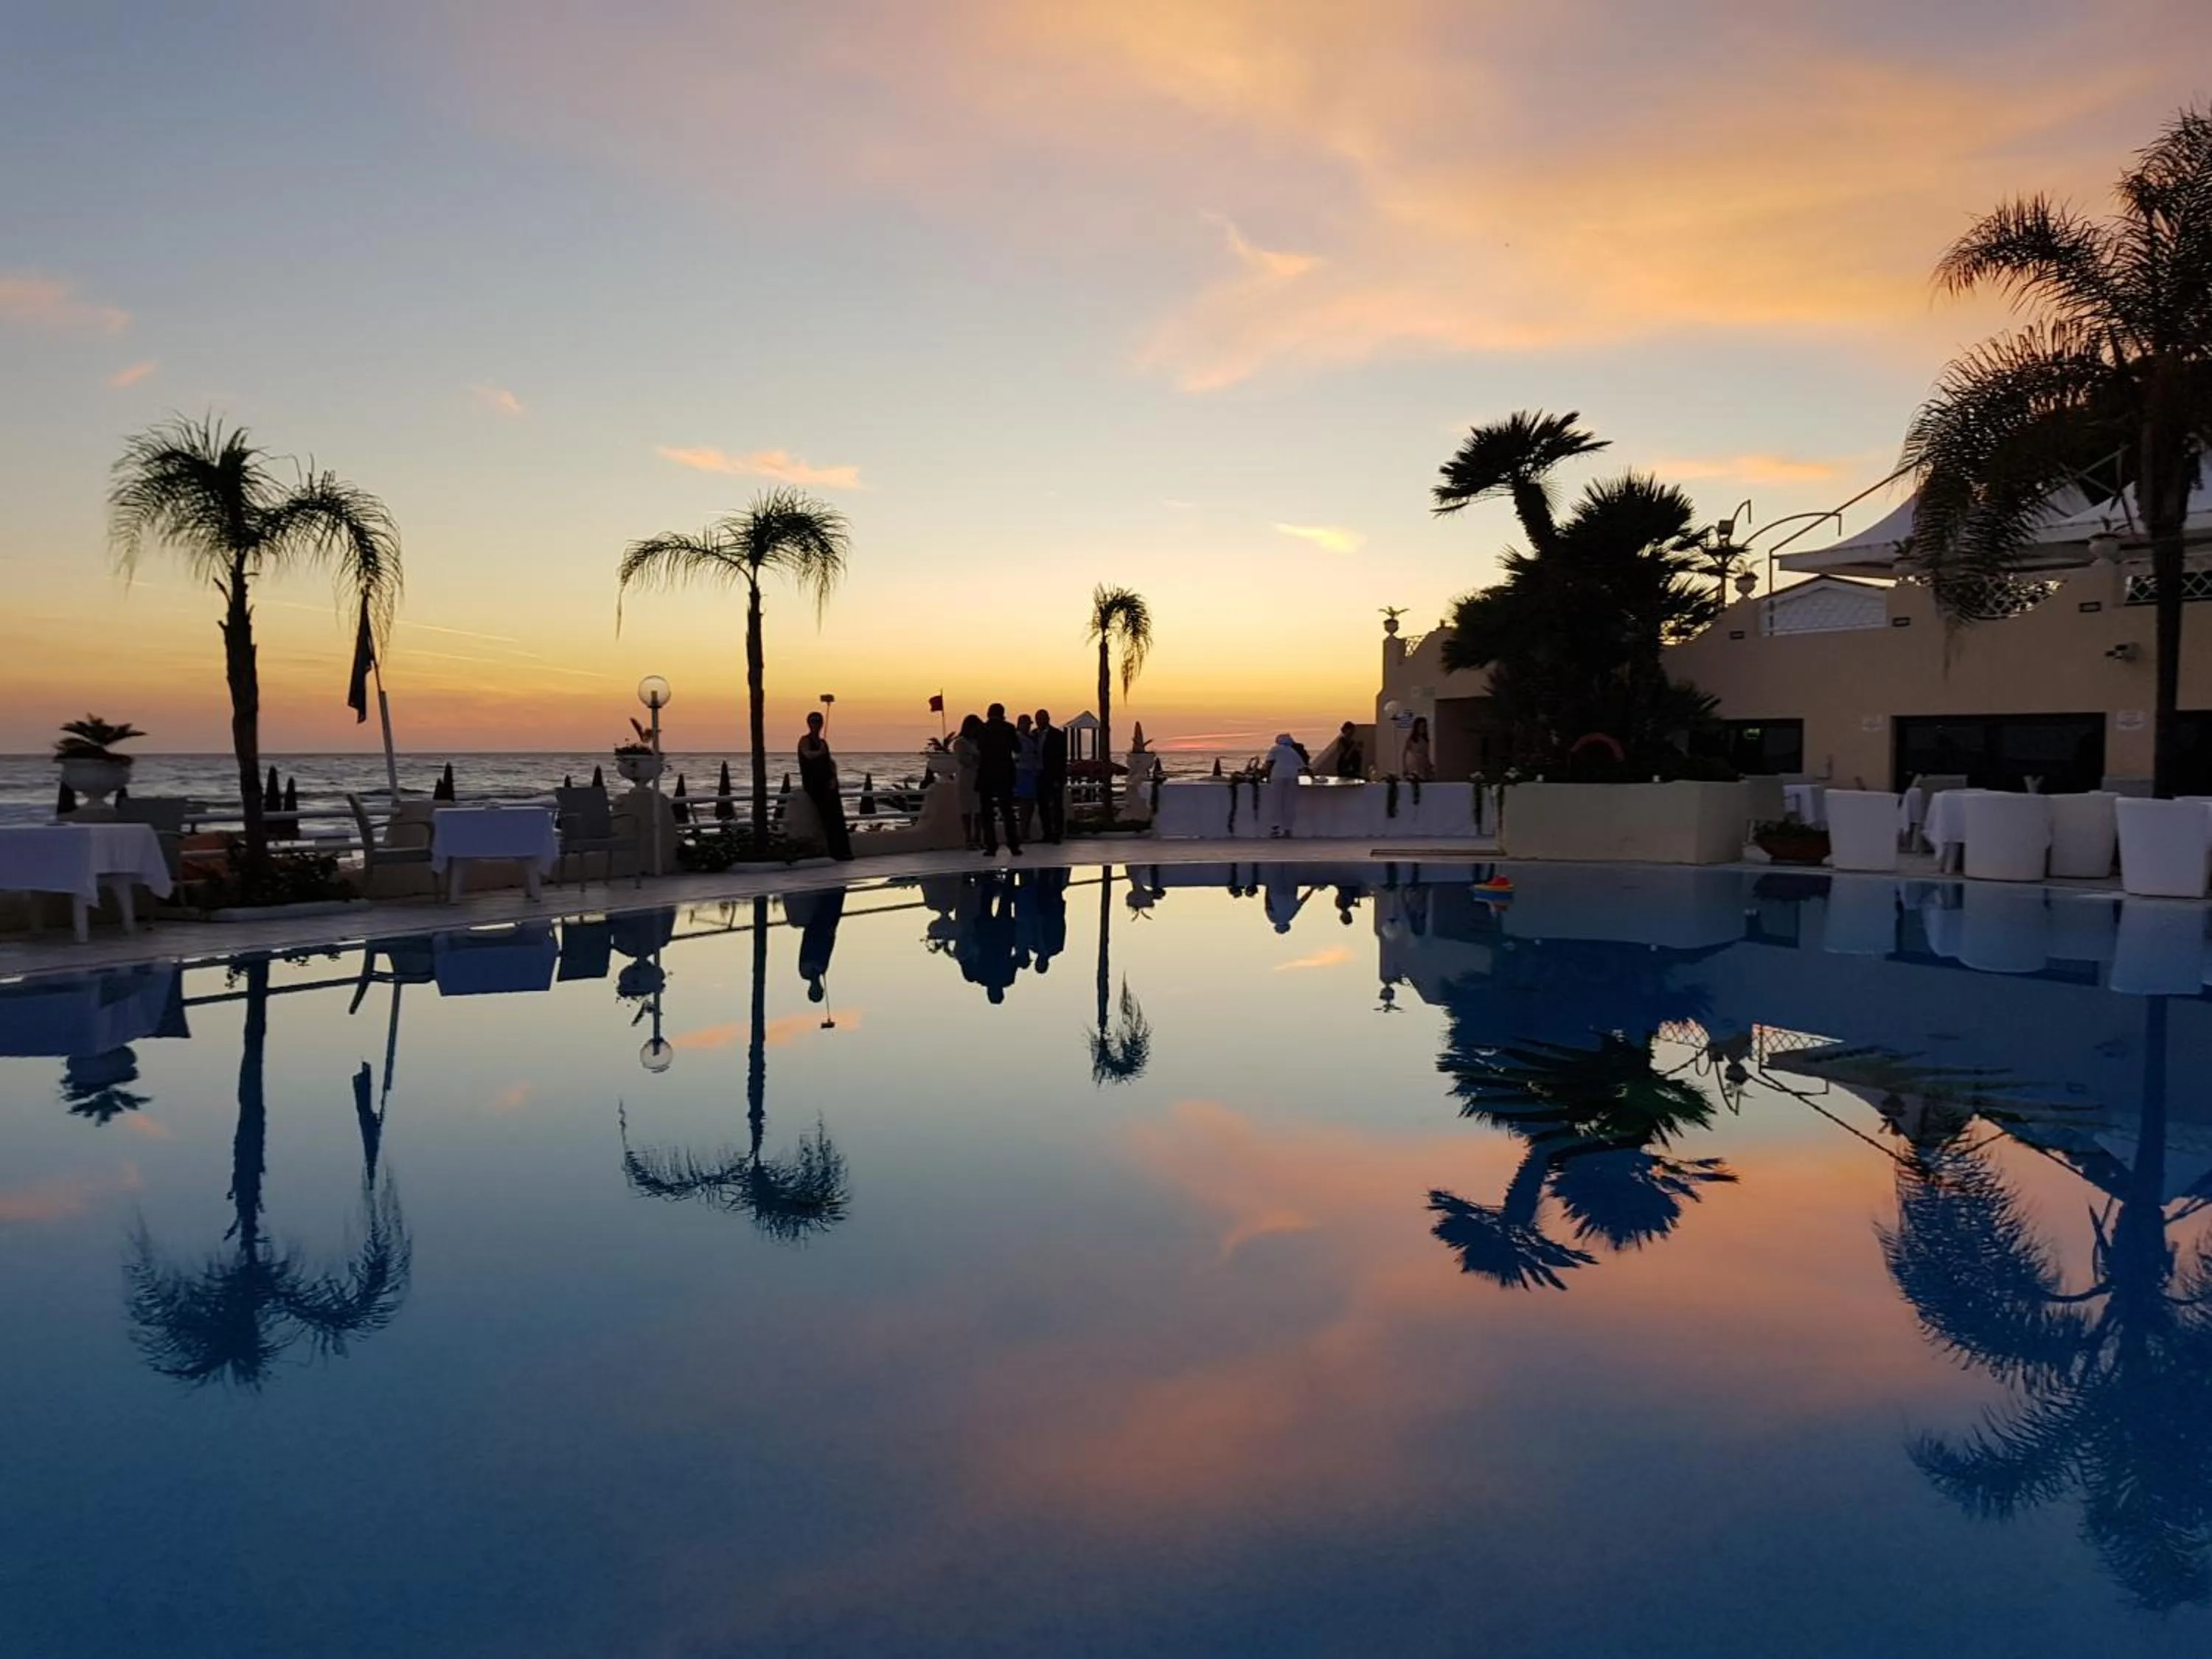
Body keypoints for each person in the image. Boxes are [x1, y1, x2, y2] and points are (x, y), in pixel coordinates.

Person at [797, 710, 853, 860]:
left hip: (827, 782)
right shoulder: (805, 740)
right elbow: (808, 754)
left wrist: (834, 778)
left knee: (837, 817)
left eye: (818, 721)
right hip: (814, 783)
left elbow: (830, 762)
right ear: (809, 723)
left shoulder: (823, 743)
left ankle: (843, 851)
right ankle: (834, 851)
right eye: (813, 721)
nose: (816, 724)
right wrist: (820, 752)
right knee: (827, 817)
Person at [975, 701, 1023, 857]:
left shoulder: (982, 728)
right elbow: (1018, 749)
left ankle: (991, 846)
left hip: (987, 774)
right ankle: (1013, 845)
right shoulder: (1009, 728)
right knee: (1007, 811)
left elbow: (979, 749)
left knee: (987, 812)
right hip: (1005, 774)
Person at [1034, 708, 1068, 844]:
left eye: (1042, 719)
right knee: (1042, 806)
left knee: (1057, 806)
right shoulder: (1034, 735)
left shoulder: (1057, 735)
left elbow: (1061, 758)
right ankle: (1047, 833)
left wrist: (1059, 778)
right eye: (1037, 720)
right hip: (1039, 775)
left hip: (1053, 776)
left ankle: (1058, 833)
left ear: (1048, 719)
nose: (1039, 722)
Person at [1264, 732, 1305, 838]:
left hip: (1278, 777)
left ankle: (1275, 829)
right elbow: (1302, 766)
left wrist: (1263, 774)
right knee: (1289, 803)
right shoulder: (1293, 752)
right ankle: (1288, 830)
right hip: (1292, 777)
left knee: (1276, 802)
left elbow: (1268, 764)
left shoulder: (1275, 749)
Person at [952, 714, 984, 849]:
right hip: (965, 779)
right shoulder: (960, 742)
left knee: (978, 809)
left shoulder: (978, 742)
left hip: (978, 778)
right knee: (966, 809)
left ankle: (978, 838)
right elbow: (963, 760)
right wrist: (976, 759)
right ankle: (968, 839)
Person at [1014, 711, 1043, 841]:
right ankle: (1023, 832)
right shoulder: (1018, 738)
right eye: (1025, 724)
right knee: (1025, 804)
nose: (1027, 726)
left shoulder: (1032, 737)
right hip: (1023, 772)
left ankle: (1026, 832)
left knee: (1030, 804)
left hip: (1032, 772)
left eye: (1028, 724)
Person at [1400, 715, 1433, 781]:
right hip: (1414, 766)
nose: (1423, 729)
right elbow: (1404, 754)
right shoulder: (1412, 739)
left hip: (1424, 766)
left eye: (1424, 727)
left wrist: (1430, 766)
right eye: (1420, 727)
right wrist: (1405, 767)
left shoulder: (1425, 740)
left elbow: (1426, 755)